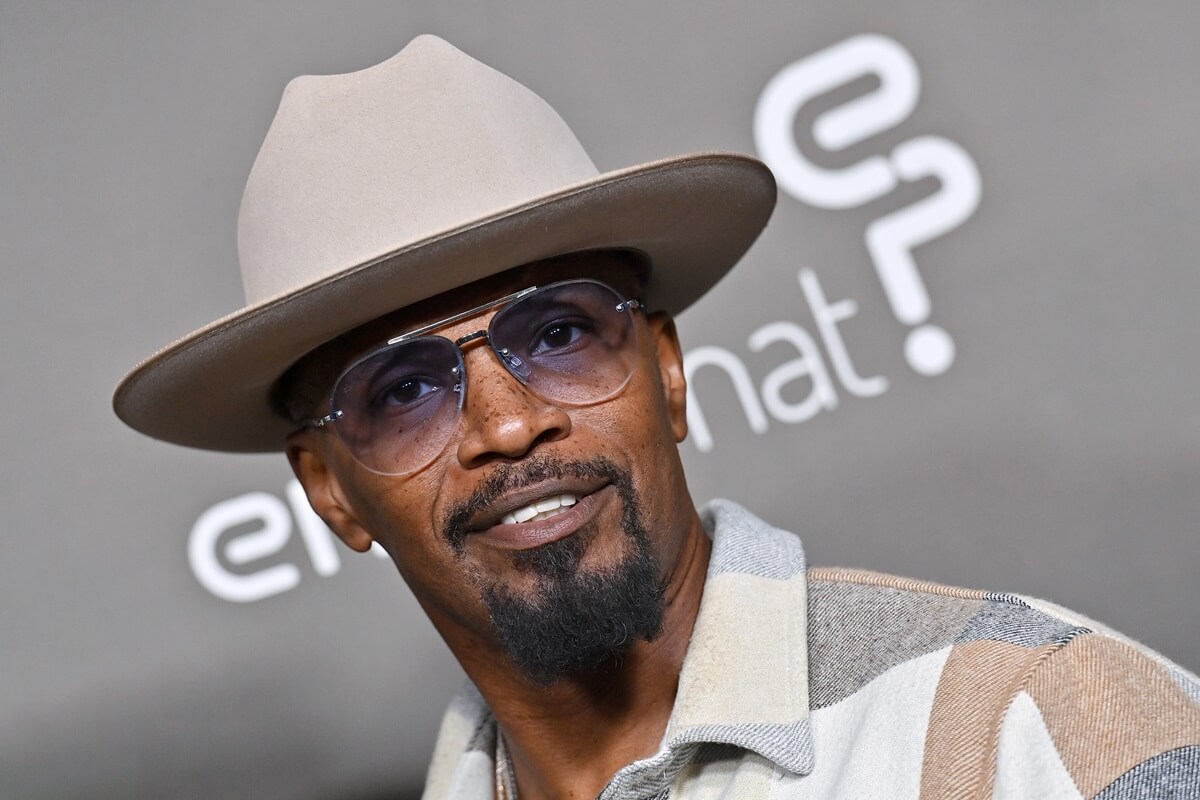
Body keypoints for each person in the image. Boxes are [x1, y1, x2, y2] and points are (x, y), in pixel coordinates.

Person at [114, 35, 1200, 800]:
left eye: (558, 332)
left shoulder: (1033, 726)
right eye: (401, 390)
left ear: (667, 370)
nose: (506, 423)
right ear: (328, 488)